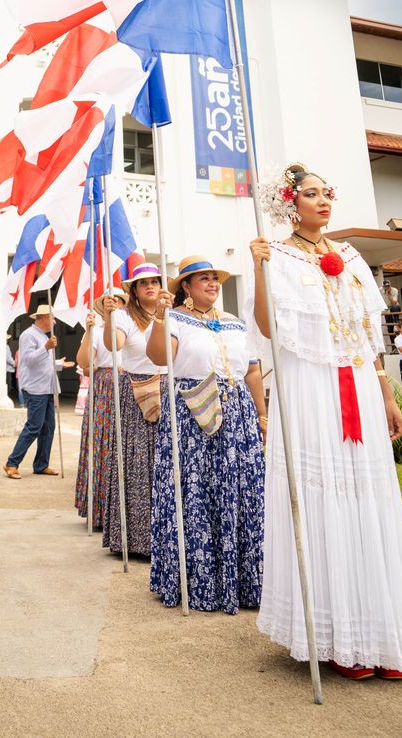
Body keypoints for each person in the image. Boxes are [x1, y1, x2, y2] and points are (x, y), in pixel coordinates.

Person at [249, 162, 402, 679]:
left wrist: (387, 394)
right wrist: (258, 271)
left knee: (368, 500)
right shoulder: (275, 255)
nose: (323, 201)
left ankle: (378, 633)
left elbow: (368, 334)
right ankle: (332, 638)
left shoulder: (348, 257)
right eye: (310, 194)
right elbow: (267, 327)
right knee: (322, 498)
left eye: (327, 193)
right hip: (311, 388)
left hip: (359, 388)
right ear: (290, 203)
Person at [147, 255, 266, 613]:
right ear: (186, 285)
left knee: (239, 490)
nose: (212, 284)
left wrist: (262, 414)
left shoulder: (235, 323)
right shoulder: (175, 319)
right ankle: (198, 580)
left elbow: (253, 372)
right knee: (194, 491)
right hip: (190, 411)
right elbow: (158, 358)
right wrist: (158, 319)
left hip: (238, 414)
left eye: (215, 279)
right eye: (203, 279)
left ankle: (243, 582)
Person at [101, 261, 171, 558]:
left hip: (170, 390)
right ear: (135, 291)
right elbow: (114, 345)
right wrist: (108, 316)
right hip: (138, 393)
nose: (151, 286)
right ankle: (139, 538)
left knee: (168, 462)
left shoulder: (173, 315)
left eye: (155, 281)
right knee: (140, 463)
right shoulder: (125, 318)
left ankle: (170, 535)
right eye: (144, 283)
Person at [3, 306, 74, 478]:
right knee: (34, 426)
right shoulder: (29, 335)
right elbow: (28, 360)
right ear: (43, 318)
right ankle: (12, 463)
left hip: (47, 387)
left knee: (48, 427)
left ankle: (41, 464)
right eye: (53, 318)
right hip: (36, 389)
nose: (55, 321)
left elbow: (43, 363)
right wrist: (46, 348)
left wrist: (58, 363)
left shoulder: (43, 336)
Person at [75, 291, 120, 529]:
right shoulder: (98, 329)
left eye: (120, 300)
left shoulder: (135, 325)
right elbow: (84, 362)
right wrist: (89, 332)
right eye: (110, 301)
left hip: (134, 384)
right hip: (105, 386)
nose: (115, 304)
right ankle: (101, 509)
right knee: (103, 445)